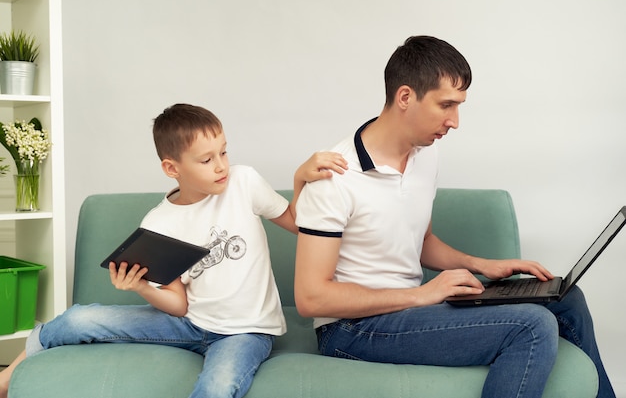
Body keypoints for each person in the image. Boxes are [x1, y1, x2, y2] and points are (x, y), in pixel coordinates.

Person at [293, 36, 616, 398]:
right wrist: (421, 296)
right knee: (532, 326)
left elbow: (422, 243)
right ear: (405, 97)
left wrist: (483, 264)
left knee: (566, 299)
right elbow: (312, 299)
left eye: (459, 106)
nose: (455, 122)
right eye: (446, 105)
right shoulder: (333, 175)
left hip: (409, 308)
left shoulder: (425, 154)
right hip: (352, 329)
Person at [0, 103, 347, 398]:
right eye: (206, 160)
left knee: (217, 386)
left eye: (224, 152)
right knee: (78, 319)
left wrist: (300, 177)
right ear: (172, 168)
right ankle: (9, 377)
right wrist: (140, 287)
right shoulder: (158, 223)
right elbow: (178, 304)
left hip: (247, 330)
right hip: (189, 325)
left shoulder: (243, 182)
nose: (221, 165)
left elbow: (300, 223)